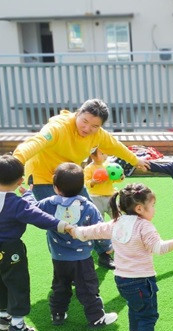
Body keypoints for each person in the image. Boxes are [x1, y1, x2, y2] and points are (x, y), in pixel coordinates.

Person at [12, 99, 150, 269]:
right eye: (84, 121)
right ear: (78, 113)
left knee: (91, 214)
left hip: (70, 177)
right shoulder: (59, 127)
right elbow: (36, 142)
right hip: (43, 177)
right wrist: (16, 161)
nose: (87, 128)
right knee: (56, 221)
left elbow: (117, 147)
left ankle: (104, 253)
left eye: (94, 126)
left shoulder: (98, 135)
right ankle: (63, 263)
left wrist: (136, 160)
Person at [69, 183, 173, 331]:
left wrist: (76, 231)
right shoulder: (144, 226)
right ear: (140, 208)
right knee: (148, 315)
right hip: (141, 281)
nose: (154, 210)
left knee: (135, 307)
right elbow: (159, 248)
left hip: (122, 280)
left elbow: (93, 231)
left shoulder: (117, 223)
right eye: (153, 206)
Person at [25, 163, 118, 328]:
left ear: (55, 187)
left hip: (59, 257)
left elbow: (33, 210)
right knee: (88, 288)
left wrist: (28, 193)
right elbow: (99, 230)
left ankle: (57, 314)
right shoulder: (88, 206)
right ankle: (96, 317)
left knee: (60, 286)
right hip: (83, 258)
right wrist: (106, 247)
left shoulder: (49, 203)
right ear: (82, 186)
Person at [0, 155, 71, 331]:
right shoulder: (16, 203)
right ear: (20, 180)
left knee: (1, 281)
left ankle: (2, 317)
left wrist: (26, 195)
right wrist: (63, 225)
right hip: (10, 250)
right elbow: (38, 216)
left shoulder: (17, 202)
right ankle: (17, 326)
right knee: (17, 284)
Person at [84, 148, 123, 220]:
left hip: (110, 196)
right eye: (101, 154)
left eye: (105, 153)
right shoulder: (89, 168)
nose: (105, 155)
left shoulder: (109, 166)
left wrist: (120, 178)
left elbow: (113, 179)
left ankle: (118, 230)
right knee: (98, 218)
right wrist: (93, 182)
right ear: (93, 156)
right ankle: (101, 231)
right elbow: (86, 182)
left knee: (117, 217)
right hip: (96, 198)